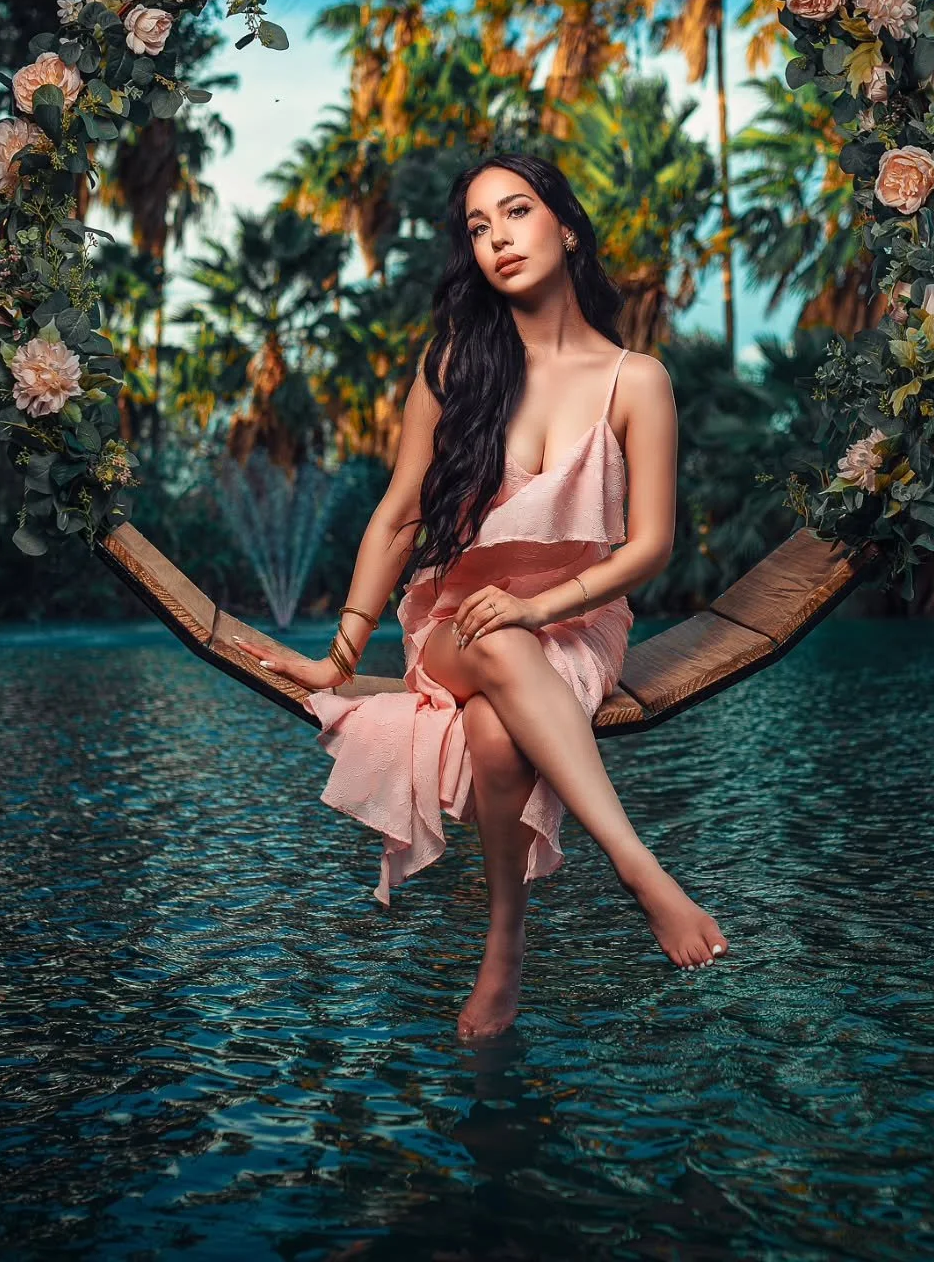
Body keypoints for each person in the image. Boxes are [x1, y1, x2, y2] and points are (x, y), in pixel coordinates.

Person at [235, 151, 727, 1040]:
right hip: (456, 626)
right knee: (489, 634)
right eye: (478, 226)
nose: (498, 237)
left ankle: (503, 950)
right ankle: (639, 870)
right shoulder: (456, 365)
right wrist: (339, 656)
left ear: (566, 227)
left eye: (517, 212)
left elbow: (651, 543)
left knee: (500, 732)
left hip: (579, 623)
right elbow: (396, 518)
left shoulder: (636, 380)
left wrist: (542, 606)